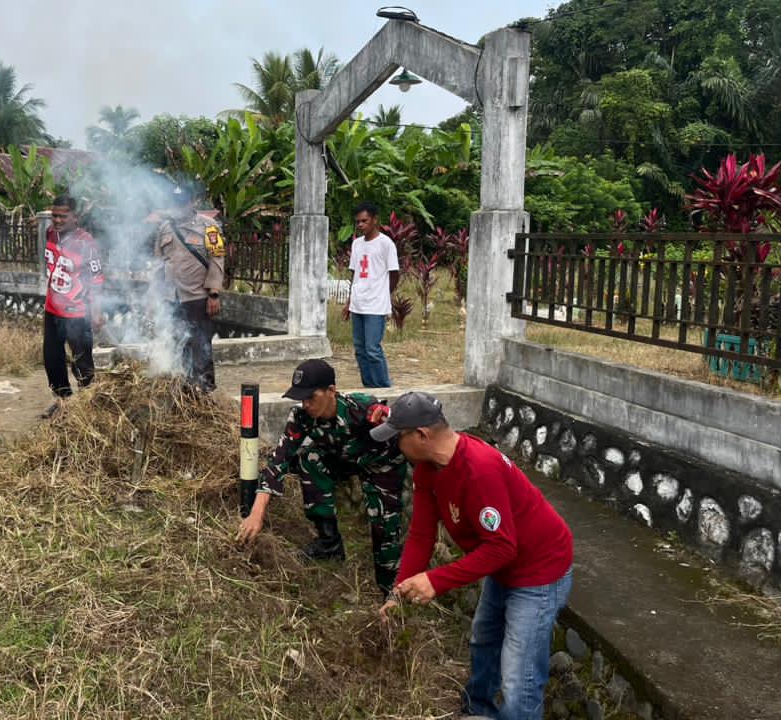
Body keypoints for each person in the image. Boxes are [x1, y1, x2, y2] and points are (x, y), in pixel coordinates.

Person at [375, 392, 574, 720]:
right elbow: (422, 534)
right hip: (504, 566)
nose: (396, 445)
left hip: (539, 569)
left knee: (518, 677)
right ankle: (477, 711)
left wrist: (436, 581)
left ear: (421, 436)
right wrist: (399, 591)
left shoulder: (479, 470)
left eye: (399, 437)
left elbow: (502, 547)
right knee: (484, 640)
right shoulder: (429, 469)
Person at [236, 359, 408, 595]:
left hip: (381, 466)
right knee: (309, 456)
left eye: (311, 397)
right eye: (302, 398)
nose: (306, 404)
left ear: (331, 391)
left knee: (383, 526)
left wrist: (386, 414)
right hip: (344, 461)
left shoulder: (360, 408)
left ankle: (391, 591)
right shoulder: (301, 416)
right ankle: (330, 544)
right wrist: (257, 512)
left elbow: (390, 414)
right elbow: (279, 459)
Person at [154, 185, 225, 392]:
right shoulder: (165, 228)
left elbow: (217, 260)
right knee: (178, 344)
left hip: (197, 296)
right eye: (174, 203)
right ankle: (184, 391)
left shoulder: (208, 226)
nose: (178, 207)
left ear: (193, 202)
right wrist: (155, 295)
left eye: (182, 202)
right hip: (171, 297)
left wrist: (213, 293)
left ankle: (205, 391)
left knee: (201, 345)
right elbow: (159, 263)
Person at [42, 195, 105, 416]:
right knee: (52, 359)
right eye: (54, 215)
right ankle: (63, 403)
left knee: (82, 360)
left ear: (75, 217)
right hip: (52, 309)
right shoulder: (49, 233)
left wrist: (96, 312)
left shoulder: (86, 243)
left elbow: (96, 280)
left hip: (77, 312)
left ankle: (89, 404)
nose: (57, 220)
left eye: (62, 216)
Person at [344, 202, 399, 388]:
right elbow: (355, 273)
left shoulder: (386, 244)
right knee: (360, 350)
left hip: (375, 305)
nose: (360, 225)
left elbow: (394, 274)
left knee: (373, 349)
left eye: (364, 221)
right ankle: (369, 386)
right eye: (358, 222)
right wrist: (349, 302)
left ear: (375, 220)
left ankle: (384, 387)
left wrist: (384, 294)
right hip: (357, 304)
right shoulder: (357, 244)